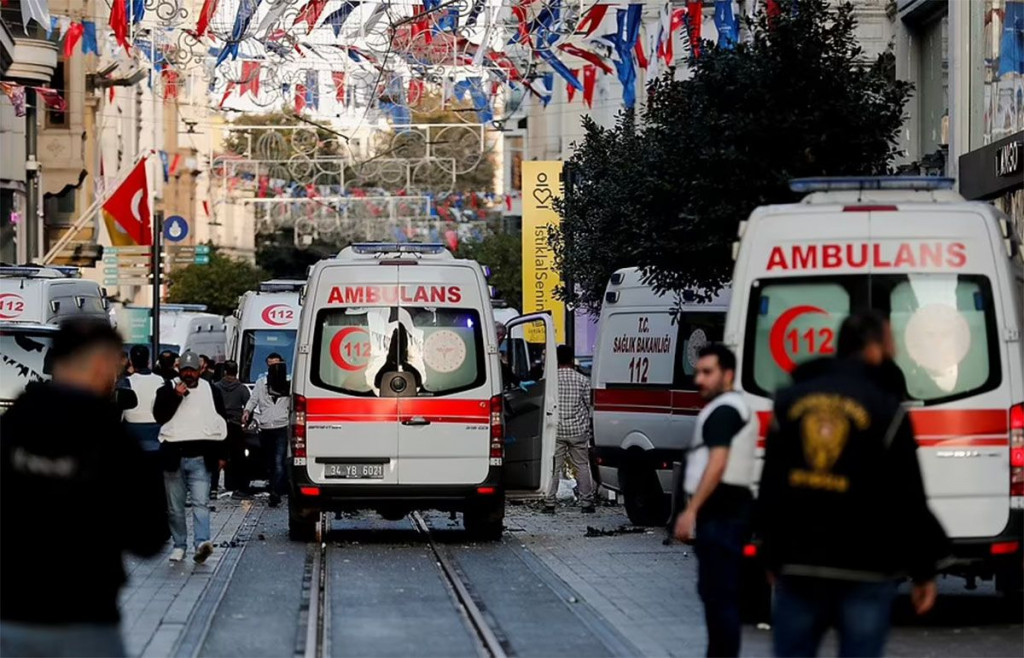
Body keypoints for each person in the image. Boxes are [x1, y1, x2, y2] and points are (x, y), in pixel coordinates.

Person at [757, 311, 949, 658]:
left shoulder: (789, 403)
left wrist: (771, 555)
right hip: (866, 566)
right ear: (874, 349)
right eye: (891, 343)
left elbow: (772, 487)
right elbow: (909, 496)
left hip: (800, 563)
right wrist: (924, 571)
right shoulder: (887, 409)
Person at [0, 320, 167, 657]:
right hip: (86, 618)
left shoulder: (11, 427)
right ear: (101, 364)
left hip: (11, 615)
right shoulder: (113, 439)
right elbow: (149, 537)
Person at [673, 344, 757, 658]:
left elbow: (718, 461)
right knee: (716, 596)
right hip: (722, 516)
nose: (700, 379)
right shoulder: (726, 407)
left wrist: (691, 511)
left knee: (720, 597)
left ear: (728, 374)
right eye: (698, 372)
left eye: (708, 372)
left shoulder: (726, 410)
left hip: (722, 515)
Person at [154, 351, 229, 564]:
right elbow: (160, 415)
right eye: (184, 370)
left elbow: (220, 421)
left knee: (201, 503)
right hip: (173, 457)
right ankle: (179, 545)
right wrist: (175, 396)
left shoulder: (211, 391)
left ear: (200, 370)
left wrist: (223, 455)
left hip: (201, 458)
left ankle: (201, 543)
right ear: (179, 370)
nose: (188, 374)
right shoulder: (168, 389)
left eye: (192, 370)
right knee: (175, 507)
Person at [542, 344, 596, 514]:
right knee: (581, 465)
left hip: (556, 431)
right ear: (572, 360)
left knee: (553, 467)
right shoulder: (582, 380)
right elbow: (589, 406)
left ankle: (549, 502)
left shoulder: (550, 381)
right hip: (577, 431)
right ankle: (587, 502)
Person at [243, 352, 291, 508]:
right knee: (270, 462)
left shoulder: (289, 382)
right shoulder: (261, 383)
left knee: (278, 461)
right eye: (271, 365)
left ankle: (275, 492)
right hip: (265, 427)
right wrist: (247, 412)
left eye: (276, 365)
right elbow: (253, 400)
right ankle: (275, 486)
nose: (273, 368)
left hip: (282, 426)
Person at [122, 345, 166, 468]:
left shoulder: (126, 382)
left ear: (131, 361)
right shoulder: (161, 380)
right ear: (148, 361)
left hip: (132, 432)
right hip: (158, 433)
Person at [216, 360, 252, 497]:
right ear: (236, 371)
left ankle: (215, 487)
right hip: (236, 426)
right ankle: (241, 487)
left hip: (220, 425)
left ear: (224, 371)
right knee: (239, 458)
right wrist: (245, 423)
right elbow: (249, 406)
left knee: (220, 456)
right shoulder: (242, 389)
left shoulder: (216, 387)